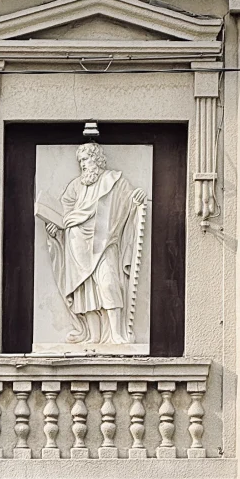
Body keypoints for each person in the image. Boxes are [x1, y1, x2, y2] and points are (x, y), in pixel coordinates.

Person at [37, 141, 145, 346]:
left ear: (97, 158)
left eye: (86, 159)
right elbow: (63, 213)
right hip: (76, 246)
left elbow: (130, 201)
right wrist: (54, 228)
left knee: (109, 282)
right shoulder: (75, 186)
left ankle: (116, 334)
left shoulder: (114, 181)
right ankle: (93, 337)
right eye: (80, 161)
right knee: (85, 291)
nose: (83, 164)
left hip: (104, 243)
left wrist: (137, 200)